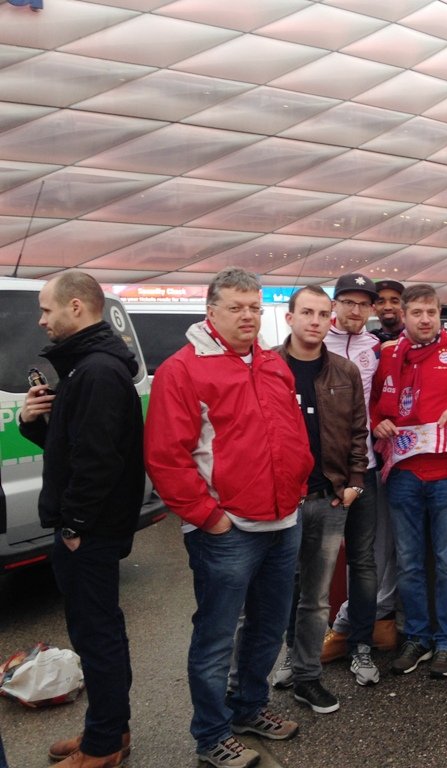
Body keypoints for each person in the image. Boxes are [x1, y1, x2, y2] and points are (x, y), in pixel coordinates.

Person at [144, 267, 312, 768]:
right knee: (216, 637)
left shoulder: (272, 362)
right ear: (211, 311)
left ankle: (249, 709)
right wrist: (208, 517)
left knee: (268, 627)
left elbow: (290, 434)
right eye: (236, 307)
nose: (247, 316)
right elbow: (166, 457)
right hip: (228, 530)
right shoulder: (182, 370)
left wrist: (298, 488)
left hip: (283, 521)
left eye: (255, 308)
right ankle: (211, 734)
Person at [18, 271, 144, 768]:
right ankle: (109, 729)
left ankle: (104, 746)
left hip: (89, 533)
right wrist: (33, 422)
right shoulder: (84, 368)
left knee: (97, 636)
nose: (41, 320)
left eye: (46, 309)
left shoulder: (96, 371)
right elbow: (71, 448)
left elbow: (97, 463)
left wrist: (73, 526)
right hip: (89, 529)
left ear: (76, 307)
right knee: (98, 632)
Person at [373, 283, 447, 679]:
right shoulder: (388, 354)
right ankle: (417, 637)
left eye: (432, 313)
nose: (425, 320)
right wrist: (377, 423)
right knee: (408, 562)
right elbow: (373, 405)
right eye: (417, 313)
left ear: (440, 315)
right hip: (403, 472)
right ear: (403, 315)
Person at [268, 287, 368, 714]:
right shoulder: (266, 367)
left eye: (323, 314)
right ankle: (279, 666)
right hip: (278, 502)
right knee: (276, 593)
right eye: (307, 312)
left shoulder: (345, 372)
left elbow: (359, 432)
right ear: (289, 317)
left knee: (316, 597)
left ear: (331, 320)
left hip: (328, 499)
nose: (315, 320)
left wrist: (354, 483)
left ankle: (308, 676)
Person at [316, 273, 385, 686]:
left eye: (363, 304)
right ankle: (302, 648)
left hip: (365, 470)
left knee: (362, 561)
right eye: (348, 302)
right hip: (319, 475)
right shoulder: (314, 343)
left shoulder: (377, 348)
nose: (356, 310)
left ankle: (360, 645)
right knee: (312, 564)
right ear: (335, 305)